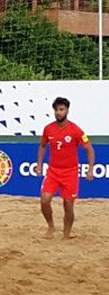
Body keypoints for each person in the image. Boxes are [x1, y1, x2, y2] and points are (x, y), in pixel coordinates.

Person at [35, 97, 95, 239]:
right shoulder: (48, 129)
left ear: (67, 110)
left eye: (61, 109)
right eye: (56, 110)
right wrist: (39, 164)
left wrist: (90, 169)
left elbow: (89, 149)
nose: (58, 112)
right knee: (44, 200)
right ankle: (51, 227)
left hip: (70, 172)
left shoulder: (75, 130)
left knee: (68, 205)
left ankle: (66, 234)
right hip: (53, 171)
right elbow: (43, 146)